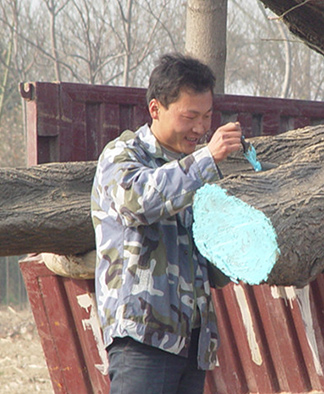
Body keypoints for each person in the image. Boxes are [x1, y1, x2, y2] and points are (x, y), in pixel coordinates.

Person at [91, 53, 242, 393]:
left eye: (207, 117)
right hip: (142, 338)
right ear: (156, 109)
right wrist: (207, 160)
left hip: (193, 342)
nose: (201, 128)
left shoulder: (197, 169)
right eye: (190, 116)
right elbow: (137, 202)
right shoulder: (123, 155)